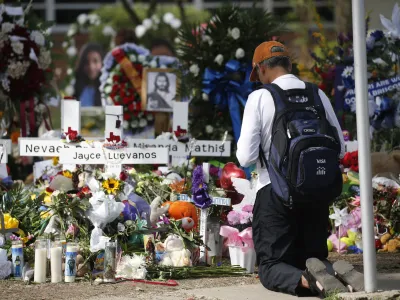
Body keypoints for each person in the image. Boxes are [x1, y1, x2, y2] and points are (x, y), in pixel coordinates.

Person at [236, 41, 364, 297]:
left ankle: (310, 281)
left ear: (261, 69)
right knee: (312, 256)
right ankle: (332, 272)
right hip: (315, 194)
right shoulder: (317, 94)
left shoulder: (260, 96)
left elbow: (245, 157)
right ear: (289, 64)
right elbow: (339, 149)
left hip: (274, 195)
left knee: (271, 267)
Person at [74, 43, 104, 107]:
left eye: (95, 61)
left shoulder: (108, 90)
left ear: (102, 62)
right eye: (87, 62)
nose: (91, 67)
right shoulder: (76, 89)